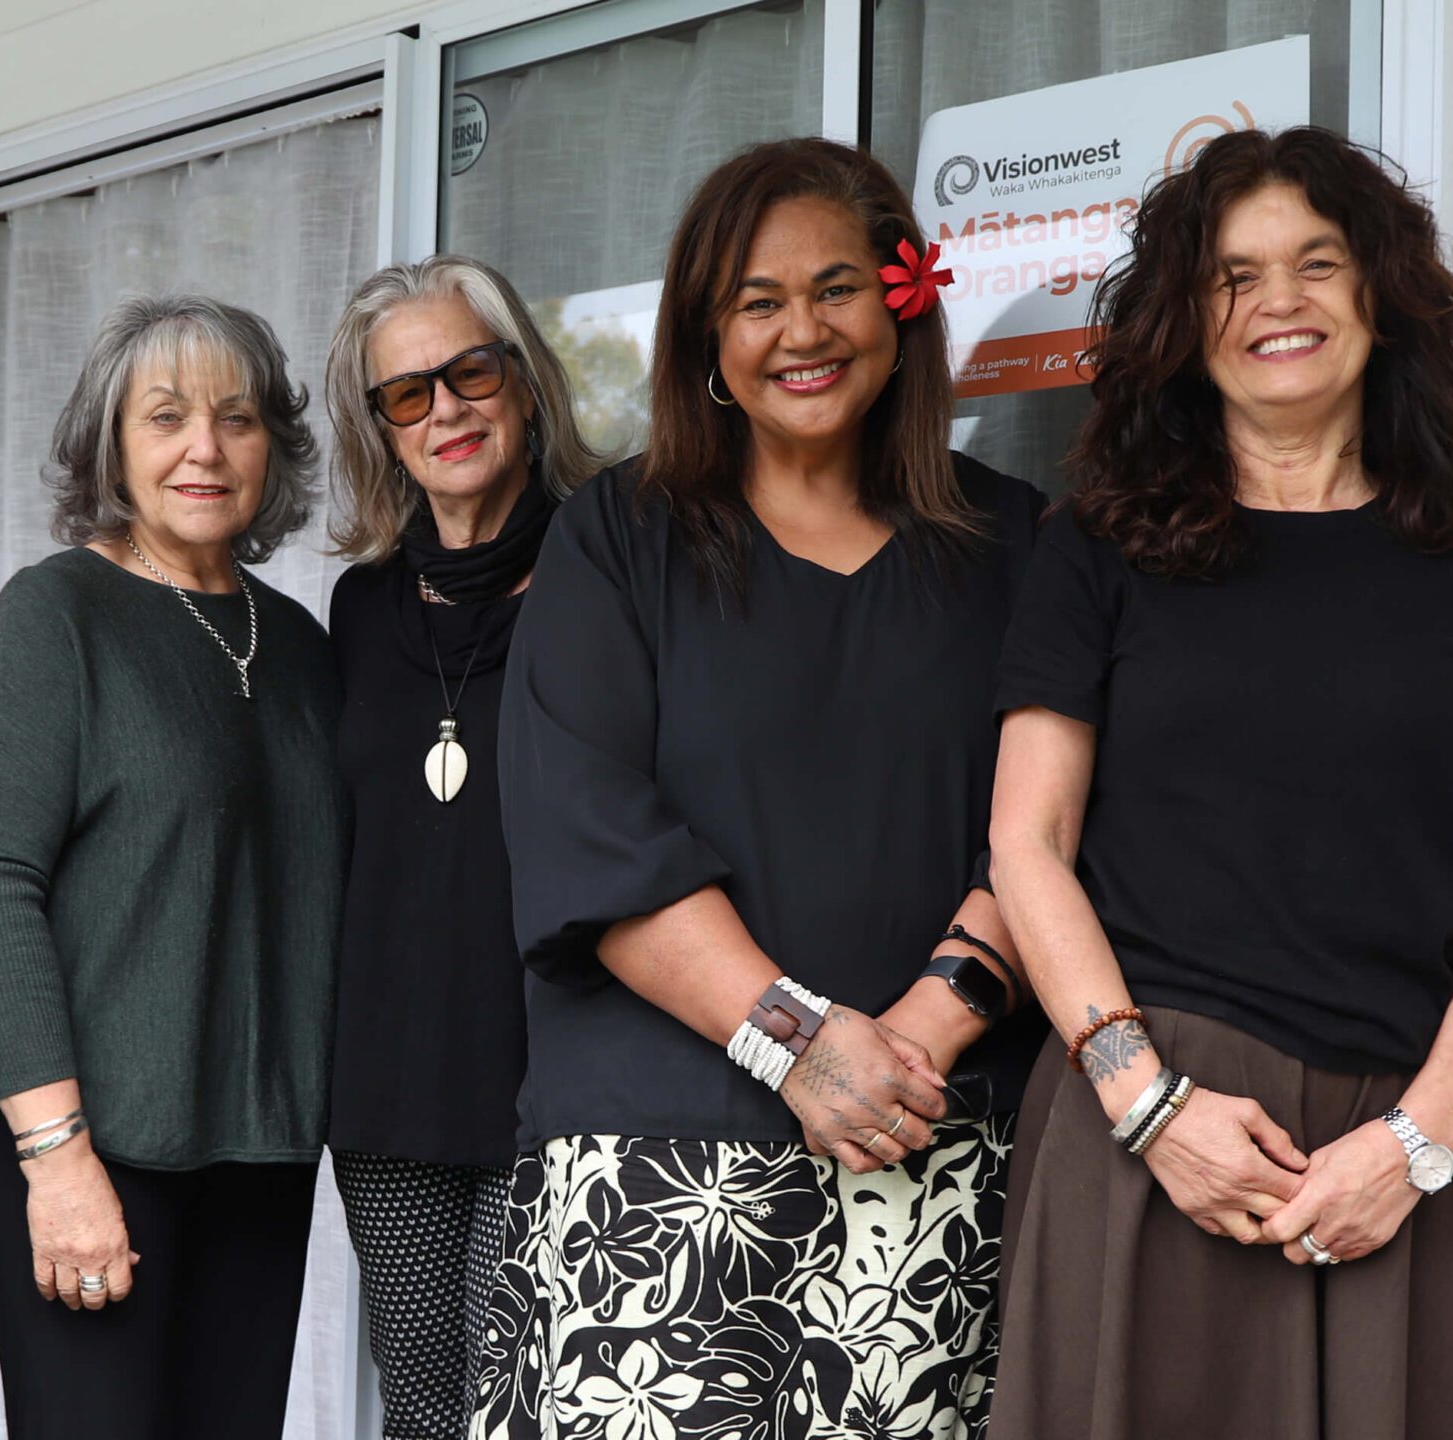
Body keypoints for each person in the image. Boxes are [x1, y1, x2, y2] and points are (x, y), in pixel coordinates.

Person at [986, 126, 1453, 1440]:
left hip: (1397, 1146)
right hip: (1158, 1131)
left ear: (1379, 296)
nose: (1279, 300)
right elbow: (1027, 845)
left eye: (1316, 263)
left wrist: (1419, 1143)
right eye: (1232, 275)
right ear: (1182, 319)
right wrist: (1147, 1103)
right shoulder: (1097, 549)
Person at [476, 137, 1046, 1440]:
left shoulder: (1017, 546)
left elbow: (1050, 831)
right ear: (705, 337)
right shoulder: (617, 536)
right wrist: (798, 1041)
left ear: (904, 306)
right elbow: (587, 829)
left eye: (838, 287)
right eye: (757, 299)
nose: (804, 330)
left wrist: (916, 1045)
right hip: (657, 1163)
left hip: (930, 1151)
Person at [0, 294, 343, 1440]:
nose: (203, 448)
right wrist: (57, 1163)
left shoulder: (303, 646)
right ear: (113, 445)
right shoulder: (56, 615)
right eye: (165, 417)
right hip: (91, 1148)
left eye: (237, 417)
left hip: (257, 1154)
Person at [320, 254, 608, 1438]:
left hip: (555, 1073)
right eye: (407, 394)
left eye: (469, 372)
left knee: (531, 1407)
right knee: (425, 1408)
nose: (445, 410)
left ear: (525, 387)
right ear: (381, 430)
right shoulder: (356, 610)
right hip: (388, 1090)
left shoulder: (606, 576)